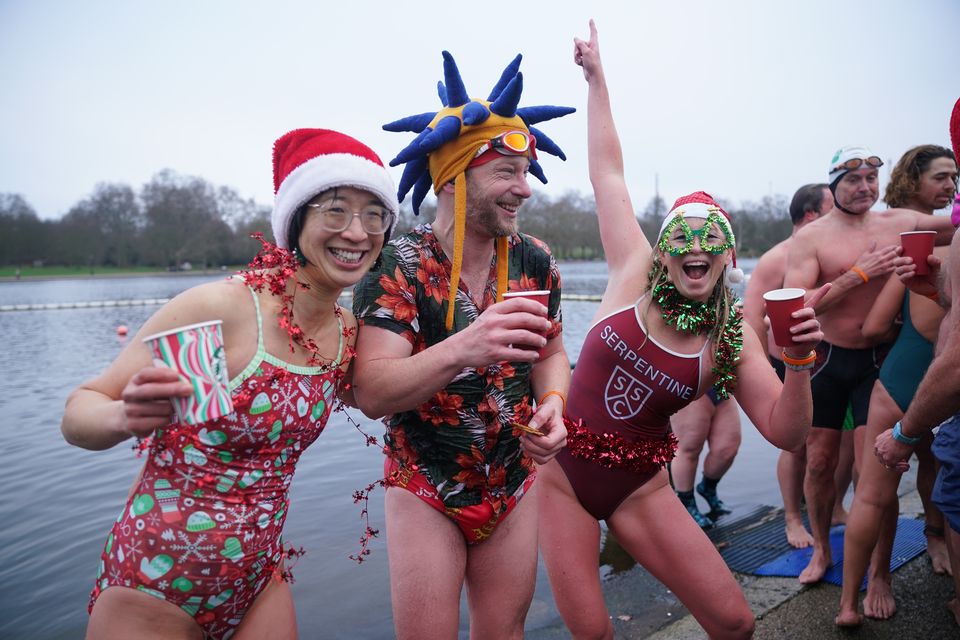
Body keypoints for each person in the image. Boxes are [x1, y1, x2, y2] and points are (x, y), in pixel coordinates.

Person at [537, 22, 826, 639]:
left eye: (710, 241)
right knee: (593, 633)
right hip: (560, 474)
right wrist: (598, 79)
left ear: (728, 256)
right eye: (683, 240)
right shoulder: (632, 271)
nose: (696, 250)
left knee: (735, 622)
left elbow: (785, 431)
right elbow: (608, 172)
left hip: (639, 488)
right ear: (665, 251)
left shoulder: (730, 335)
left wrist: (798, 366)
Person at [61, 128, 399, 640]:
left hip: (258, 581)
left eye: (374, 214)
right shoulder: (225, 309)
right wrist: (120, 418)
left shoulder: (347, 333)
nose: (357, 232)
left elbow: (387, 395)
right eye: (335, 210)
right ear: (296, 220)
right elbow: (79, 409)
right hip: (157, 583)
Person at [350, 51, 573, 639]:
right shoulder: (398, 265)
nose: (523, 189)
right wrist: (463, 347)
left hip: (514, 481)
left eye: (525, 174)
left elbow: (550, 352)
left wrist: (554, 405)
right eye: (506, 173)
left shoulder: (535, 260)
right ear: (454, 176)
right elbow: (371, 391)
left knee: (504, 633)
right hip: (426, 484)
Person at [783, 143, 955, 583]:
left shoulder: (900, 221)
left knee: (873, 469)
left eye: (871, 179)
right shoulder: (811, 237)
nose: (865, 187)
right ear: (834, 185)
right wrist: (856, 275)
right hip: (826, 359)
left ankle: (879, 573)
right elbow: (793, 307)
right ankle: (821, 551)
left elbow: (953, 223)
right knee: (819, 463)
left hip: (877, 360)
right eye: (853, 180)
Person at [836, 144, 958, 625]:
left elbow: (872, 327)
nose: (951, 186)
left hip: (906, 372)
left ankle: (856, 597)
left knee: (873, 492)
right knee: (940, 473)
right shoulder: (934, 244)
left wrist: (904, 328)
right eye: (942, 177)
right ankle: (935, 543)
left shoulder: (923, 250)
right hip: (944, 378)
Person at [743, 183, 849, 548]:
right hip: (782, 361)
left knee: (834, 441)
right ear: (810, 216)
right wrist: (753, 368)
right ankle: (791, 517)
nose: (840, 215)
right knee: (796, 445)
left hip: (827, 357)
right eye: (831, 208)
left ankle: (832, 508)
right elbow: (752, 316)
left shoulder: (825, 247)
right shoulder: (779, 257)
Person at [670, 389, 742, 529]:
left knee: (727, 449)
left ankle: (707, 488)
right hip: (691, 383)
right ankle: (687, 503)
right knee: (689, 448)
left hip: (722, 379)